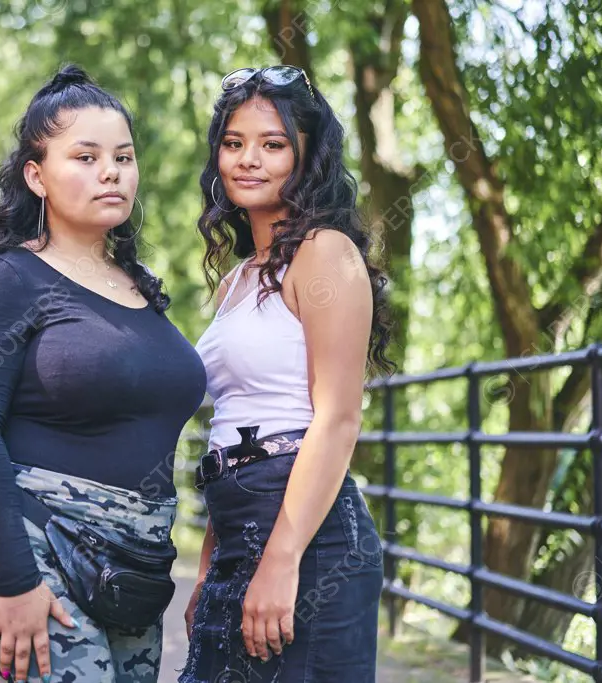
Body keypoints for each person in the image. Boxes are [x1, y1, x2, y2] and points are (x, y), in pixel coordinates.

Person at [0, 65, 207, 683]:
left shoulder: (141, 290)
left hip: (131, 566)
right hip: (28, 554)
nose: (110, 171)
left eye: (122, 156)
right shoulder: (7, 281)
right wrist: (13, 580)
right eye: (84, 156)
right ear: (36, 176)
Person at [179, 66, 395, 683]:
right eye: (233, 142)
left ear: (307, 158)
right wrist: (209, 569)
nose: (249, 159)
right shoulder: (237, 279)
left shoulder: (326, 252)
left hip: (311, 542)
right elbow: (230, 425)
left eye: (273, 144)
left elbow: (337, 416)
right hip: (236, 532)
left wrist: (281, 559)